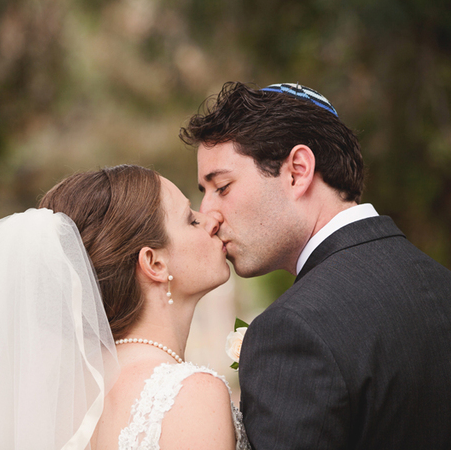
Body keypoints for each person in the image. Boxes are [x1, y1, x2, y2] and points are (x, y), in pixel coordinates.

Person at [0, 165, 249, 450]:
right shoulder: (190, 394)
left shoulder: (56, 400)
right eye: (190, 219)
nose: (211, 220)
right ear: (154, 263)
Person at [181, 81, 451, 449]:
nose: (208, 215)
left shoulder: (292, 330)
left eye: (222, 187)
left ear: (298, 170)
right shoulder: (441, 284)